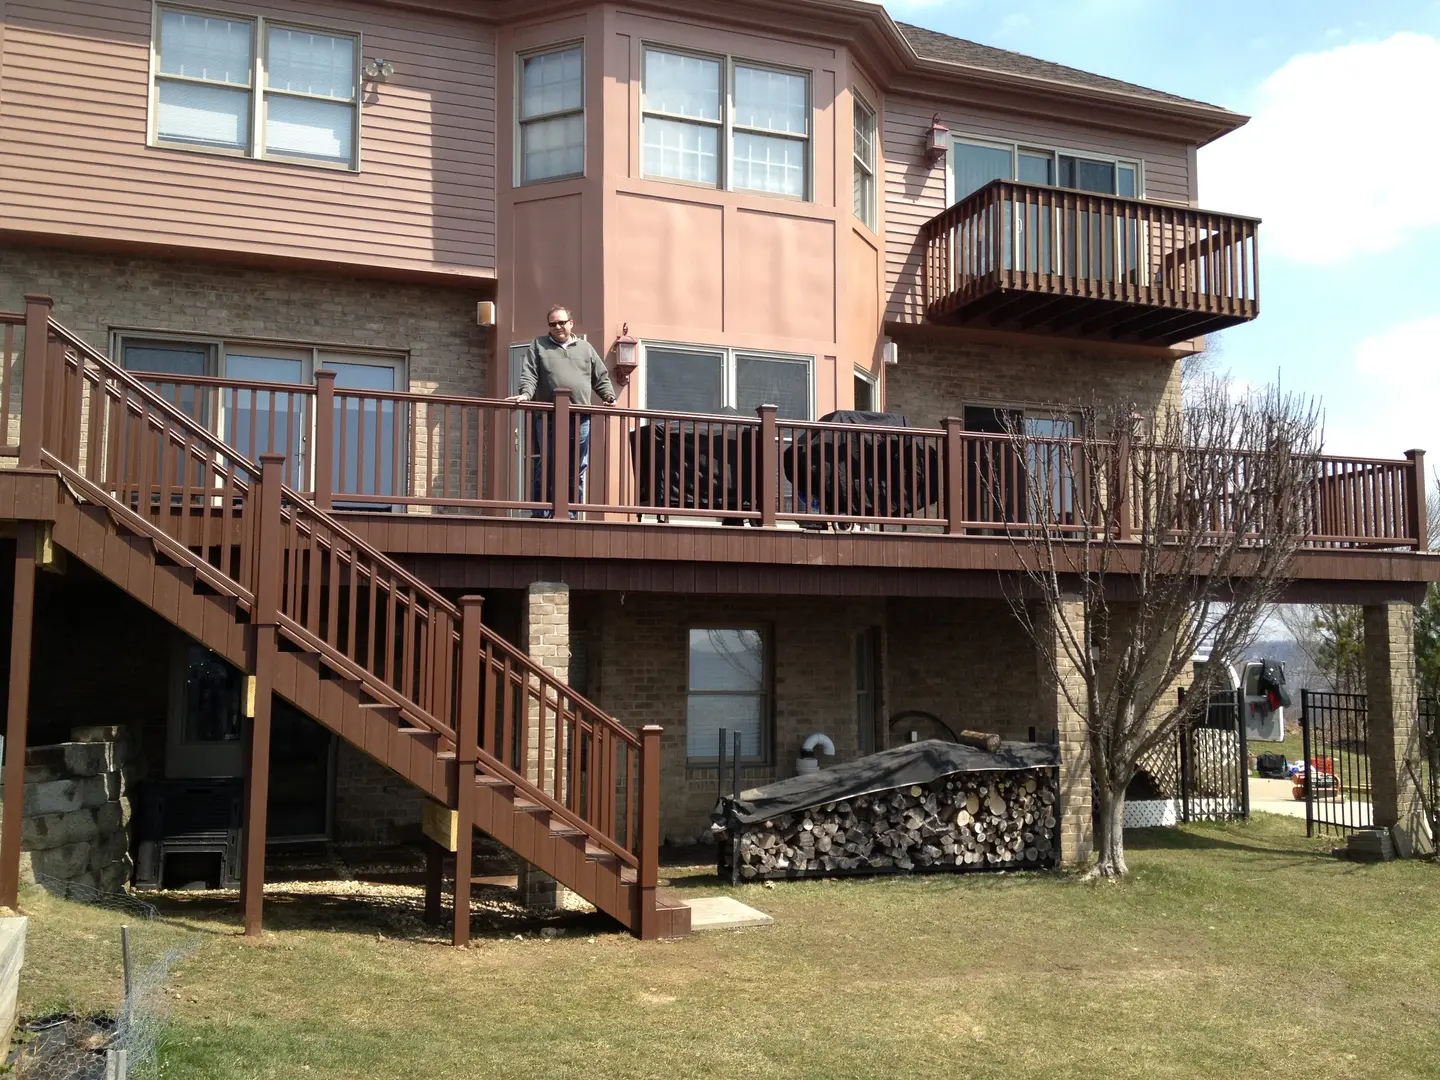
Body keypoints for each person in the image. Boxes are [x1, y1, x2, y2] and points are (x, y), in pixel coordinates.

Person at [510, 305, 616, 517]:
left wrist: (608, 396)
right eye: (552, 323)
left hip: (579, 417)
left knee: (576, 466)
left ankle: (570, 512)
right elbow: (530, 374)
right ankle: (541, 512)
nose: (557, 327)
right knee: (547, 463)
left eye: (561, 322)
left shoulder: (585, 348)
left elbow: (600, 377)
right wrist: (525, 394)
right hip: (548, 416)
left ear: (571, 323)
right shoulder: (538, 345)